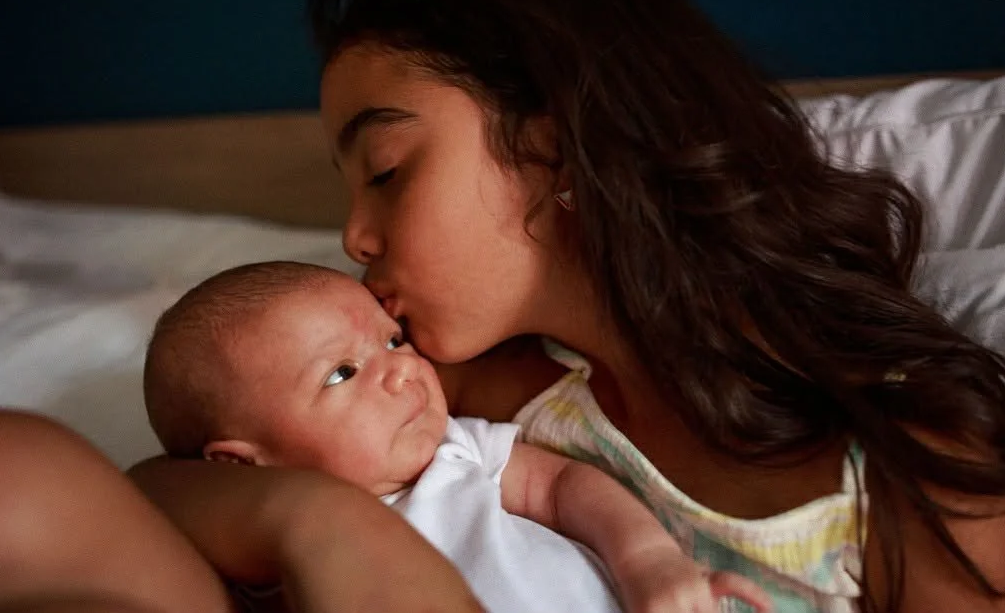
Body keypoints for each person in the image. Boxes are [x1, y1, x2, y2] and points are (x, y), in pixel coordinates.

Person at [0, 0, 1005, 612]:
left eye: (386, 170)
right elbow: (164, 482)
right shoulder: (477, 393)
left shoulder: (911, 467)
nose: (353, 237)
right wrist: (320, 520)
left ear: (556, 148)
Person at [142, 260, 771, 613]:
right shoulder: (276, 567)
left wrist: (648, 560)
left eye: (393, 340)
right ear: (242, 469)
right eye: (342, 373)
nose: (402, 369)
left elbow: (562, 487)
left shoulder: (457, 448)